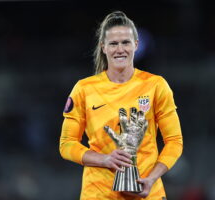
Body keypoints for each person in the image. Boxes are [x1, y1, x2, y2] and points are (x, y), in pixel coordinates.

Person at [59, 10, 183, 200]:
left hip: (148, 193)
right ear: (103, 47)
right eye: (113, 44)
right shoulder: (84, 89)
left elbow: (175, 141)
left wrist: (152, 178)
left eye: (125, 42)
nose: (120, 49)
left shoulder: (156, 85)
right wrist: (105, 159)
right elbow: (66, 144)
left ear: (136, 44)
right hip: (98, 193)